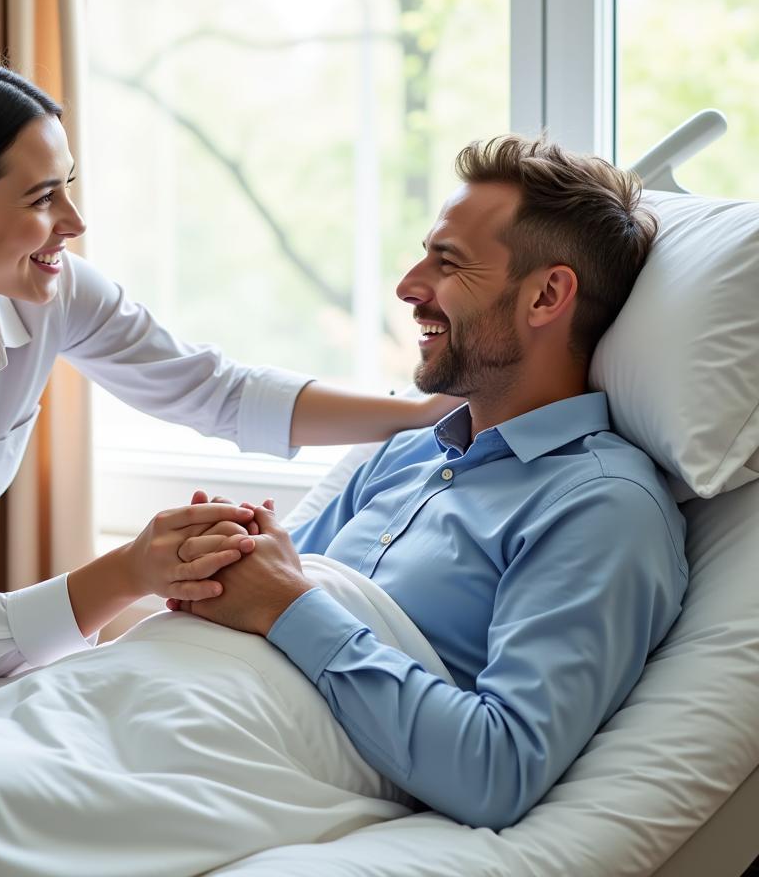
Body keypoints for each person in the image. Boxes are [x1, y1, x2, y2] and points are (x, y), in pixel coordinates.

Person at [0, 55, 459, 709]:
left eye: (69, 187)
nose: (74, 223)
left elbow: (219, 391)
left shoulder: (53, 294)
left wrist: (427, 412)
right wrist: (138, 568)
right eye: (41, 198)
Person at [173, 135, 689, 830]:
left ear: (546, 296)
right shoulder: (404, 456)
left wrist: (285, 604)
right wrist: (219, 569)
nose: (408, 285)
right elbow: (281, 589)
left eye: (448, 264)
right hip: (183, 695)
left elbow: (496, 771)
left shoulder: (601, 507)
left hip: (229, 759)